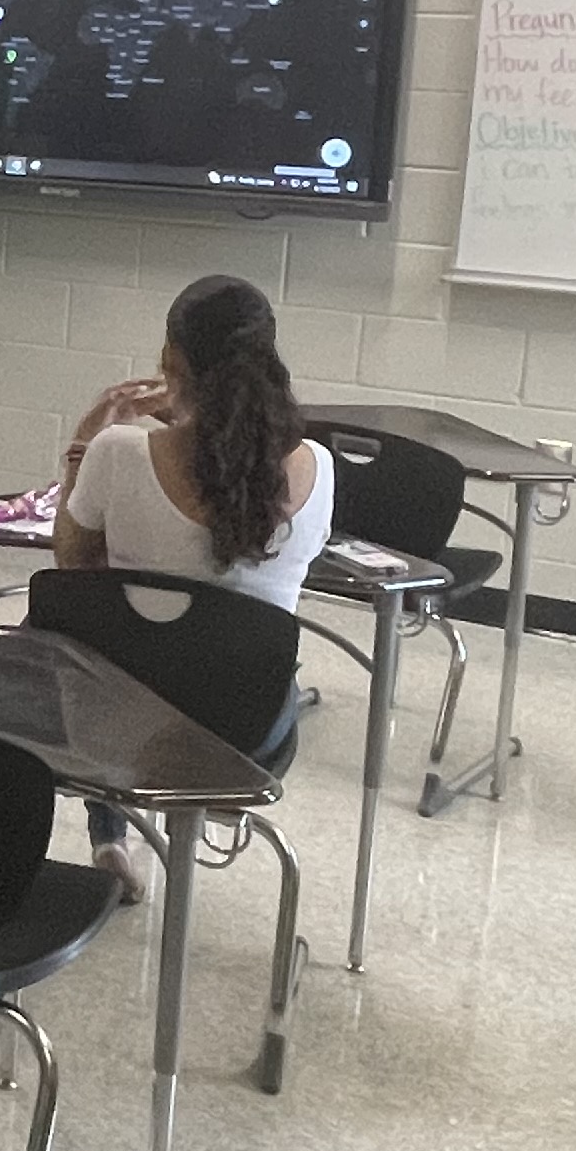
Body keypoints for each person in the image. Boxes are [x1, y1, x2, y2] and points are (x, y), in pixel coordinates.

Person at [50, 274, 336, 903]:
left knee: (101, 636)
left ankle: (110, 833)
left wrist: (84, 443)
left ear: (170, 361)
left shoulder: (118, 450)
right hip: (248, 730)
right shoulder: (317, 465)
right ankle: (194, 801)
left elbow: (70, 563)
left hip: (117, 723)